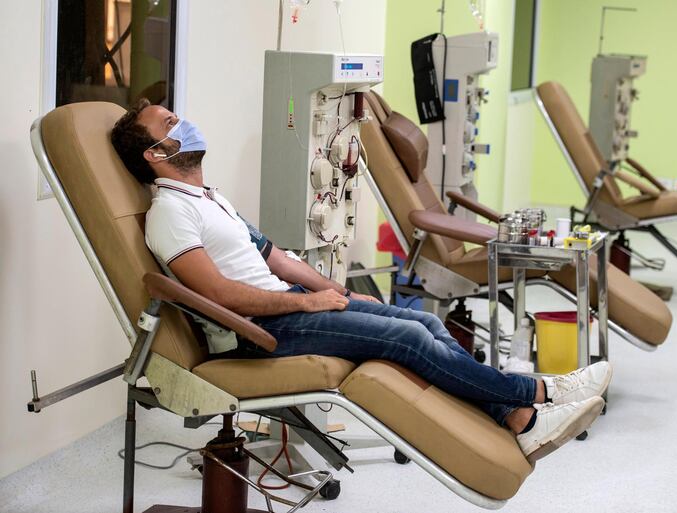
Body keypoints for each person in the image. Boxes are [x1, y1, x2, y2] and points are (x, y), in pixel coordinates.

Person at [110, 99, 611, 464]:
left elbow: (276, 257)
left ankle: (518, 419)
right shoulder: (169, 212)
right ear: (155, 154)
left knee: (419, 322)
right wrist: (305, 307)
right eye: (170, 124)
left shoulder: (209, 198)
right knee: (411, 337)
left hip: (289, 305)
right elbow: (216, 295)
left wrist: (339, 294)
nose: (185, 123)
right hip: (257, 332)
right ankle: (537, 395)